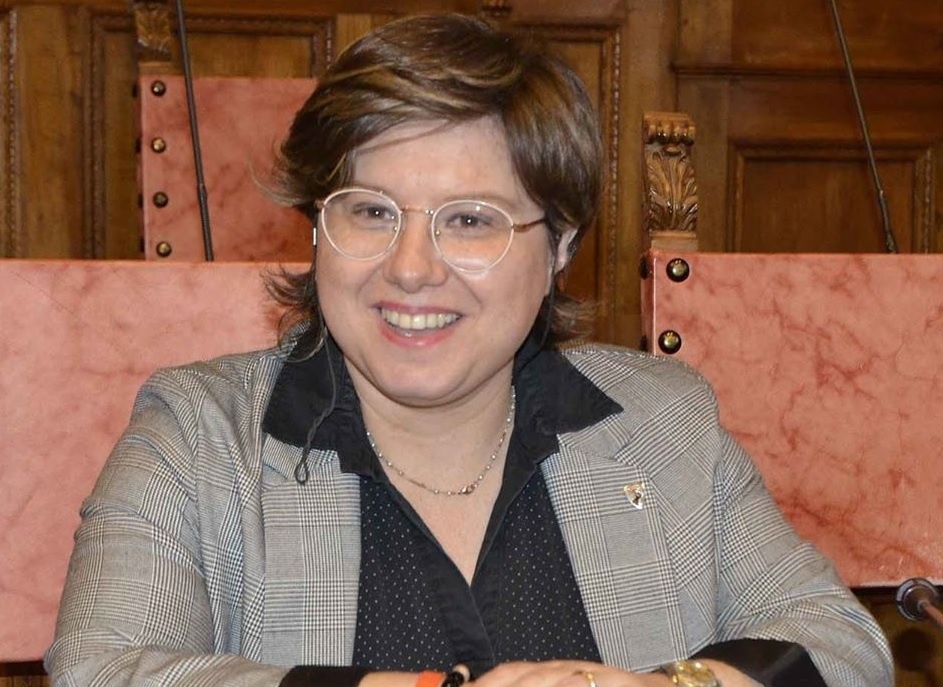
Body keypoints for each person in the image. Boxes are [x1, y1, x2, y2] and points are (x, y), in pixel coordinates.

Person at [46, 12, 892, 687]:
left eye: (471, 220)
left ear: (559, 246)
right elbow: (101, 668)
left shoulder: (661, 421)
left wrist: (673, 685)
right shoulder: (198, 435)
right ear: (316, 229)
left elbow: (840, 641)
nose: (411, 268)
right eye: (370, 211)